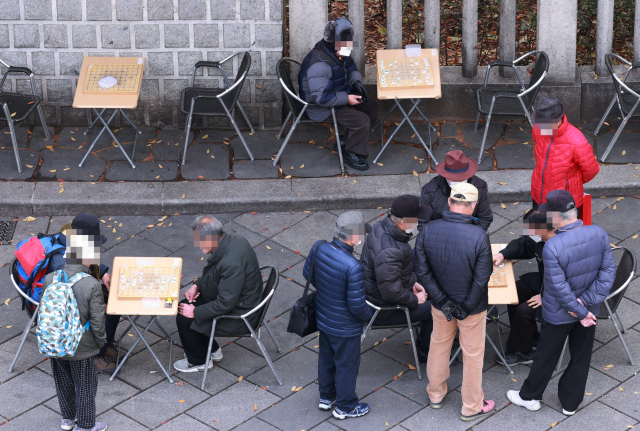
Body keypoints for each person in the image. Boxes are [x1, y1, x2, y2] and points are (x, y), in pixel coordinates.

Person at [508, 190, 616, 416]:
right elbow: (607, 274)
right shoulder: (598, 233)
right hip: (589, 311)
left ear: (557, 217)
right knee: (581, 356)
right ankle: (570, 403)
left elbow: (558, 288)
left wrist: (577, 308)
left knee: (546, 355)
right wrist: (585, 307)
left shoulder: (553, 247)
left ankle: (530, 397)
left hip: (559, 313)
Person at [414, 183, 496, 422]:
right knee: (473, 355)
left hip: (441, 305)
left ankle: (435, 394)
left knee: (439, 345)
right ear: (472, 207)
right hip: (472, 308)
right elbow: (482, 278)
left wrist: (442, 301)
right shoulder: (480, 236)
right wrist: (466, 306)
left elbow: (422, 269)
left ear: (449, 203)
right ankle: (471, 406)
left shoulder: (428, 231)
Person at [305, 211, 373, 420]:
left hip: (323, 318)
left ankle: (326, 397)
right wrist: (369, 315)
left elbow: (308, 274)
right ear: (353, 236)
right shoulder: (352, 266)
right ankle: (345, 406)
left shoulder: (319, 247)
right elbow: (356, 305)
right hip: (345, 327)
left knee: (326, 358)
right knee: (346, 364)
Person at [173, 215, 263, 373]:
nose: (197, 245)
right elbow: (216, 274)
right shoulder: (235, 239)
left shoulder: (230, 263)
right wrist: (197, 285)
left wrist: (195, 312)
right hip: (241, 299)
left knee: (184, 315)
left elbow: (225, 304)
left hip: (239, 314)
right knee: (186, 305)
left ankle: (199, 361)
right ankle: (212, 350)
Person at [42, 228, 107, 431]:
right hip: (82, 346)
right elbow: (97, 323)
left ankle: (68, 420)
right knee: (86, 386)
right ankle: (87, 425)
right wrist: (100, 343)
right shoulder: (91, 284)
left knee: (64, 383)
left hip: (55, 342)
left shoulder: (50, 279)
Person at [299, 17, 379, 171]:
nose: (349, 47)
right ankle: (352, 152)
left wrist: (356, 82)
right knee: (361, 121)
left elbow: (351, 68)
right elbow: (321, 98)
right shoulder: (320, 64)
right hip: (319, 107)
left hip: (338, 95)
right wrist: (347, 99)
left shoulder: (339, 52)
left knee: (372, 105)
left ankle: (346, 140)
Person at [361, 195, 433, 362]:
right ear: (403, 222)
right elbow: (391, 292)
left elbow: (393, 276)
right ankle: (425, 350)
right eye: (416, 219)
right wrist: (415, 299)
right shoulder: (390, 252)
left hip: (375, 293)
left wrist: (413, 282)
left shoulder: (380, 227)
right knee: (436, 307)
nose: (417, 223)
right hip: (384, 309)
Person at [48, 213, 122, 374]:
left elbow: (87, 261)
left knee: (114, 298)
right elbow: (71, 294)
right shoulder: (61, 263)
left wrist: (102, 272)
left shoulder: (73, 239)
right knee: (101, 313)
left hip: (82, 288)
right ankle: (95, 355)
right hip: (66, 303)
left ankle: (106, 342)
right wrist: (99, 305)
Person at [492, 209, 555, 366]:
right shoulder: (541, 236)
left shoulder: (563, 247)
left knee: (524, 310)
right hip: (545, 282)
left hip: (562, 294)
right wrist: (503, 254)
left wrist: (546, 296)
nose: (531, 234)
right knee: (513, 292)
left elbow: (573, 280)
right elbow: (524, 244)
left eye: (533, 231)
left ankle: (522, 352)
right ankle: (529, 335)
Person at [530, 97, 599, 211]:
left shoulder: (577, 142)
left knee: (560, 229)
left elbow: (592, 170)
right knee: (538, 228)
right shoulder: (537, 130)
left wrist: (571, 182)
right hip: (538, 194)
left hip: (563, 203)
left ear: (558, 120)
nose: (539, 127)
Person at [419, 150, 493, 231]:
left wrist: (472, 235)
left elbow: (485, 218)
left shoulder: (480, 187)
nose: (458, 181)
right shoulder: (429, 191)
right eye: (453, 179)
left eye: (461, 178)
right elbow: (422, 223)